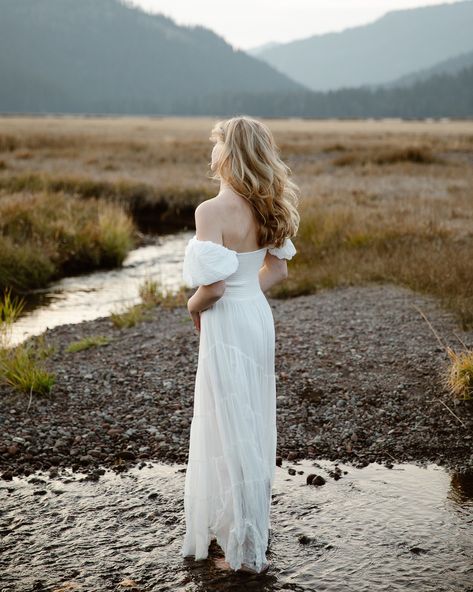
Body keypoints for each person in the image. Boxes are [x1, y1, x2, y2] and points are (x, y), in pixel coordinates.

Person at [180, 115, 300, 574]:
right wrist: (248, 294)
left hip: (228, 321)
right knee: (251, 417)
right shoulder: (268, 205)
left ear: (228, 154)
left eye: (216, 146)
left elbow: (212, 289)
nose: (211, 154)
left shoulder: (210, 211)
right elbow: (279, 272)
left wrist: (193, 306)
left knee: (227, 422)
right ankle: (250, 527)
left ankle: (240, 546)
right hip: (256, 317)